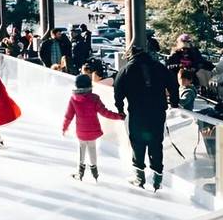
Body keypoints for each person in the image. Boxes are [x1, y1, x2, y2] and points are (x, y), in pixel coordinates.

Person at [114, 44, 180, 191]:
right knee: (156, 143)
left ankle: (139, 178)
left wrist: (120, 109)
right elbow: (173, 85)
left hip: (137, 113)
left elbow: (118, 91)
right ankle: (157, 179)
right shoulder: (159, 67)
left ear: (131, 55)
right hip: (157, 112)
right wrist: (174, 103)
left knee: (137, 142)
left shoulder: (126, 69)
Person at [62, 74, 124, 182]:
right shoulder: (94, 98)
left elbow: (68, 116)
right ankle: (95, 173)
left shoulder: (73, 99)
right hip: (93, 131)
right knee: (92, 148)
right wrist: (119, 116)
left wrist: (64, 128)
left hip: (81, 131)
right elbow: (105, 113)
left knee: (81, 148)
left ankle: (80, 172)